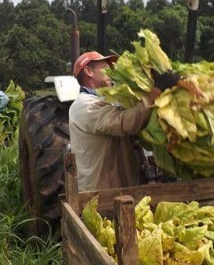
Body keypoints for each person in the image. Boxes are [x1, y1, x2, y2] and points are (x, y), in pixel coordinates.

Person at [69, 51, 179, 191]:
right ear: (88, 71)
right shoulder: (84, 105)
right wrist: (156, 92)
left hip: (117, 188)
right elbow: (123, 123)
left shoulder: (106, 101)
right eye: (105, 68)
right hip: (101, 192)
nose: (110, 72)